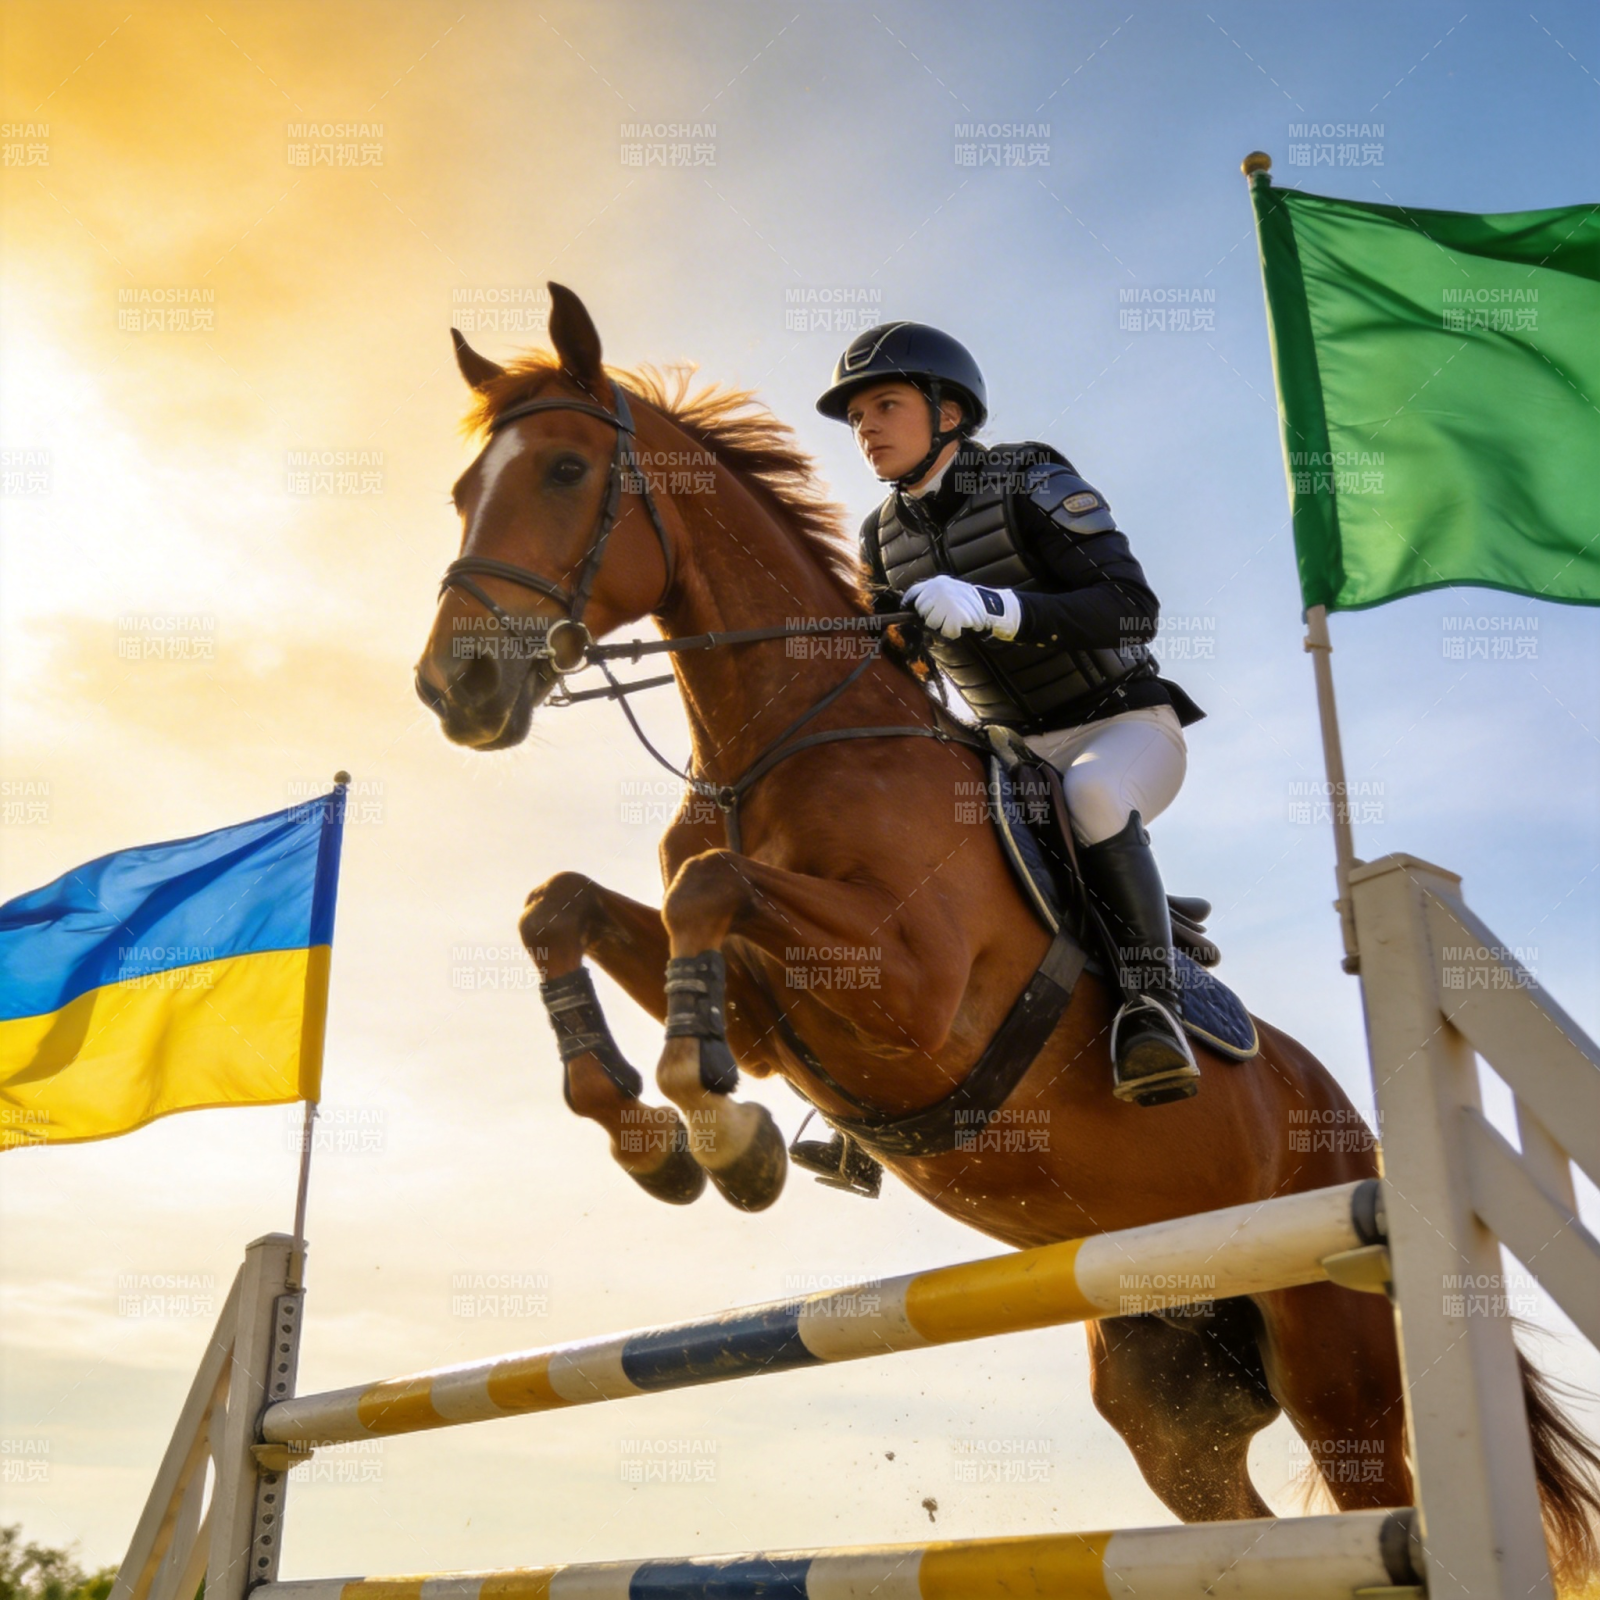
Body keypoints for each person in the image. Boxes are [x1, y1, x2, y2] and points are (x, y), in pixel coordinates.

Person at [816, 321, 1206, 1106]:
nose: (867, 429)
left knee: (1092, 797)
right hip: (1009, 756)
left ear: (948, 413)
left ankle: (1150, 1008)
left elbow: (1132, 610)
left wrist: (994, 607)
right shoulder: (880, 539)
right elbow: (906, 667)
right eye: (857, 417)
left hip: (1120, 727)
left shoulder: (1030, 476)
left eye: (885, 405)